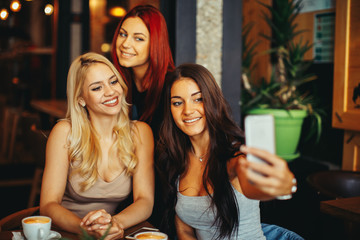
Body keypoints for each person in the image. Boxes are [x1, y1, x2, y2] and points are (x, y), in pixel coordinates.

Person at [157, 63, 302, 239]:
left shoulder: (235, 158)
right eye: (178, 103)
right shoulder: (176, 160)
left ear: (212, 101)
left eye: (198, 99)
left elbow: (253, 186)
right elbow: (185, 230)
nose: (188, 110)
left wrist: (284, 186)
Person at [40, 52, 154, 240]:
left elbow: (145, 201)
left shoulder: (140, 133)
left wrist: (115, 224)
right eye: (97, 88)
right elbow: (49, 204)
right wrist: (85, 229)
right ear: (81, 99)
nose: (110, 92)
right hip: (66, 233)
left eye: (113, 81)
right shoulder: (65, 132)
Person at [111, 4, 175, 138]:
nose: (126, 44)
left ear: (155, 43)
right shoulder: (115, 84)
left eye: (138, 38)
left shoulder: (172, 86)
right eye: (123, 34)